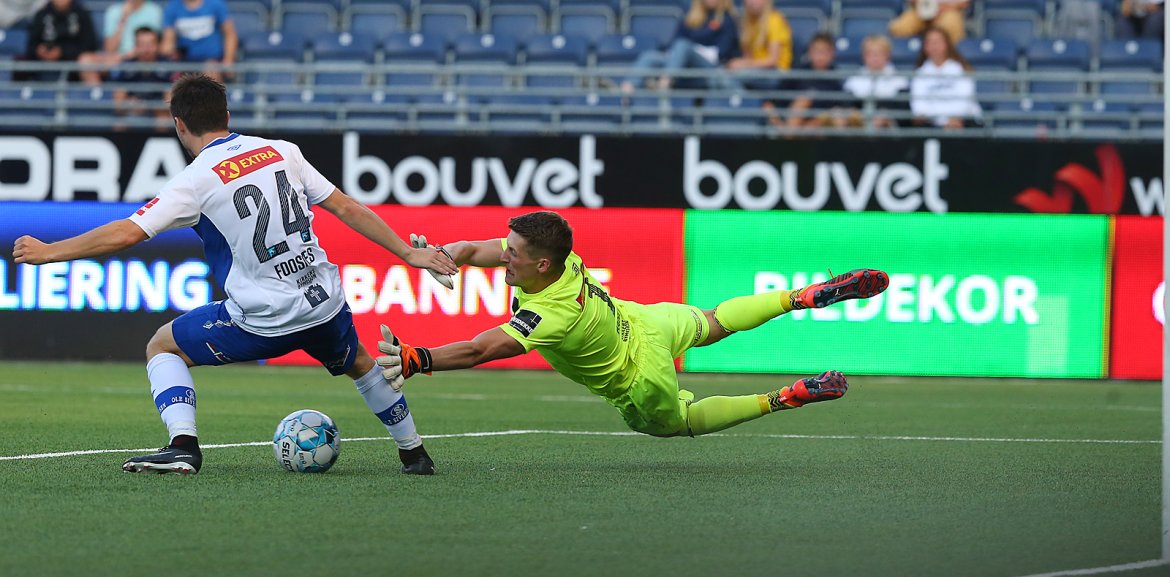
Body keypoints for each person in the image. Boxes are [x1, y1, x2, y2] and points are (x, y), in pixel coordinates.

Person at [12, 73, 458, 476]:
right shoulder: (283, 151)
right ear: (226, 116)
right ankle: (414, 454)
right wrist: (406, 252)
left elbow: (127, 233)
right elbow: (346, 206)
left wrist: (51, 252)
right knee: (360, 362)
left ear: (179, 125)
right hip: (324, 302)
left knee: (162, 346)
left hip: (263, 318)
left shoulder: (195, 180)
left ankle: (183, 445)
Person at [375, 211, 889, 440]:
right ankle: (801, 296)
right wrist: (444, 255)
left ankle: (785, 397)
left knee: (679, 425)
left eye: (514, 253)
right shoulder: (557, 258)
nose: (503, 256)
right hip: (643, 320)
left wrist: (419, 359)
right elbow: (476, 250)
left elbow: (479, 350)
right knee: (713, 322)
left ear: (541, 266)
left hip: (638, 377)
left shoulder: (550, 312)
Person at [622, 0, 740, 92]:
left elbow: (719, 53)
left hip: (708, 67)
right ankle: (626, 89)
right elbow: (674, 42)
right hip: (681, 63)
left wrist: (691, 50)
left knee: (683, 46)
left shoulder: (727, 20)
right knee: (650, 56)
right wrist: (680, 55)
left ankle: (664, 84)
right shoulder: (690, 17)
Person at [773, 32, 850, 128]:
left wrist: (818, 121)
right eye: (817, 51)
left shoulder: (838, 79)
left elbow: (842, 107)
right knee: (802, 101)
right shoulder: (798, 74)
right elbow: (772, 101)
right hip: (795, 125)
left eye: (824, 52)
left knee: (837, 115)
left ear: (832, 53)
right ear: (809, 52)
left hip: (823, 127)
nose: (820, 57)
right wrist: (779, 124)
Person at [909, 26, 981, 129]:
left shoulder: (961, 69)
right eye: (930, 42)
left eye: (938, 42)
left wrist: (954, 118)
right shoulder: (920, 73)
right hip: (931, 125)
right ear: (925, 47)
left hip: (961, 123)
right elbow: (919, 107)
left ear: (947, 44)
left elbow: (965, 100)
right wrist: (941, 121)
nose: (934, 46)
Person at [79, 0, 164, 85]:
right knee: (86, 60)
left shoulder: (154, 11)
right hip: (116, 58)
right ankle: (98, 95)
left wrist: (126, 56)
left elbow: (154, 45)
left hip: (141, 56)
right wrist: (123, 18)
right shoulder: (113, 11)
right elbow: (109, 49)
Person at [110, 27, 173, 128]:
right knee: (119, 124)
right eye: (142, 45)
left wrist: (151, 106)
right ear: (136, 47)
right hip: (133, 112)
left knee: (163, 121)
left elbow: (171, 102)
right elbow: (118, 104)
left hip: (159, 112)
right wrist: (130, 104)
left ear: (157, 46)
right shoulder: (126, 66)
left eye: (150, 44)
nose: (146, 49)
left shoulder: (167, 65)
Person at [843, 34, 909, 129]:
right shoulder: (853, 80)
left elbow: (902, 113)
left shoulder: (899, 81)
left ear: (888, 55)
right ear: (864, 56)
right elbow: (849, 106)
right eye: (870, 54)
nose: (875, 58)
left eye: (879, 54)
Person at [24, 0, 99, 81]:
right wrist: (39, 51)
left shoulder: (81, 14)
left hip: (75, 68)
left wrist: (62, 52)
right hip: (44, 67)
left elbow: (90, 45)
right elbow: (31, 45)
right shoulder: (41, 14)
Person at [727, 0, 793, 89]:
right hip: (756, 71)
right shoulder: (748, 22)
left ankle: (746, 101)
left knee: (729, 76)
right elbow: (748, 55)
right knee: (723, 74)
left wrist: (743, 64)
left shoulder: (775, 20)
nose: (752, 2)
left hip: (776, 73)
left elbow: (772, 60)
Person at [161, 0, 236, 77]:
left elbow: (230, 34)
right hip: (184, 62)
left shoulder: (215, 4)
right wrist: (170, 53)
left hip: (211, 61)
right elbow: (168, 40)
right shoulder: (173, 7)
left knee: (210, 73)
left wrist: (228, 60)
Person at [889, 1, 967, 44]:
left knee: (948, 27)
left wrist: (942, 8)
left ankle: (948, 59)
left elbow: (964, 3)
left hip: (947, 11)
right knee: (899, 28)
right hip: (920, 11)